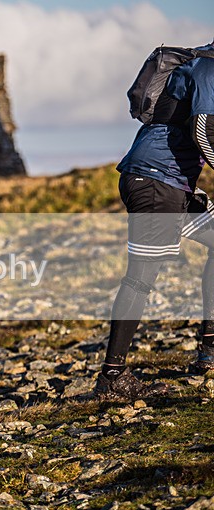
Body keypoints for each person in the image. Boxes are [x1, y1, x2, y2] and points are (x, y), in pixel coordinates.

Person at [96, 40, 214, 400]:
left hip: (168, 183)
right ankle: (112, 378)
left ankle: (209, 349)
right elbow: (203, 130)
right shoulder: (209, 69)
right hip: (154, 181)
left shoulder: (200, 65)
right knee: (140, 279)